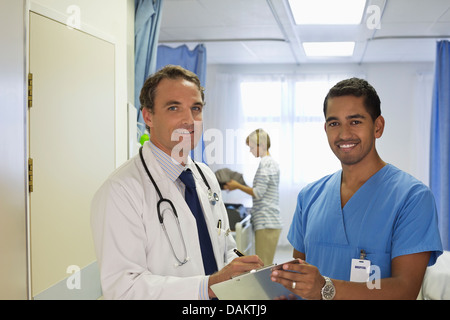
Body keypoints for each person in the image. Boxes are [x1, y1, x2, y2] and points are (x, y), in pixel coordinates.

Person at [90, 65, 263, 300]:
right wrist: (208, 286)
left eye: (196, 108)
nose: (189, 120)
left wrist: (243, 269)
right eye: (174, 108)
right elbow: (123, 289)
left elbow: (224, 246)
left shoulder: (205, 176)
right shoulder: (120, 191)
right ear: (148, 116)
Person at [271, 78, 443, 300]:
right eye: (334, 123)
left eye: (355, 122)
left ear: (378, 127)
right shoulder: (309, 196)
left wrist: (325, 288)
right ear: (325, 129)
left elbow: (405, 289)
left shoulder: (412, 198)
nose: (343, 134)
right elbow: (300, 278)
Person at [224, 129, 282, 266]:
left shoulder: (266, 164)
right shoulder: (270, 163)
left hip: (266, 221)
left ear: (261, 145)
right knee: (265, 264)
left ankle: (267, 288)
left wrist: (237, 186)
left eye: (251, 147)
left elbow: (258, 192)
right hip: (268, 220)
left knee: (264, 266)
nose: (250, 151)